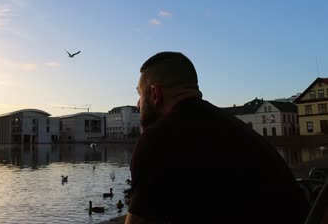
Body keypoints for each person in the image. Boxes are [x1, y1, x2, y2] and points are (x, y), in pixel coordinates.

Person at [125, 51, 310, 224]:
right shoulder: (235, 127)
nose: (138, 103)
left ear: (155, 94)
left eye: (140, 94)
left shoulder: (158, 138)